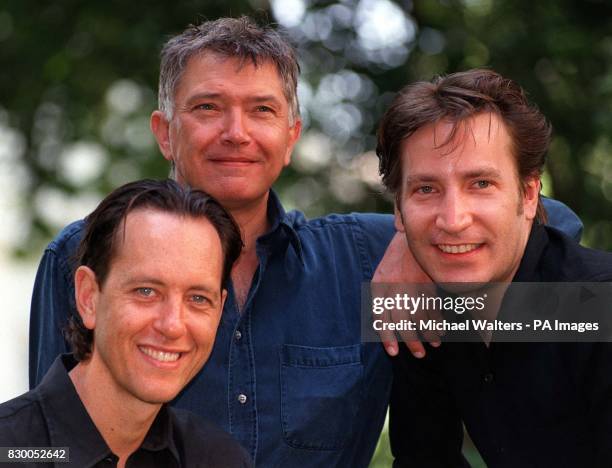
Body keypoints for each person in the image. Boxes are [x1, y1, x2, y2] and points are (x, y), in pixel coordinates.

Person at [28, 17, 582, 467]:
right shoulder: (84, 255)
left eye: (262, 110)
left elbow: (564, 259)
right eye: (207, 108)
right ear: (164, 131)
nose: (236, 132)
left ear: (290, 138)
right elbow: (42, 442)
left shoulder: (368, 266)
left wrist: (417, 247)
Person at [376, 69, 612, 467]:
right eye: (426, 189)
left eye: (481, 184)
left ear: (529, 194)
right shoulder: (427, 309)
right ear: (399, 210)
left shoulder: (597, 307)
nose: (453, 219)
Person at [2, 179, 249, 467]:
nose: (172, 325)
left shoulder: (216, 460)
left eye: (197, 298)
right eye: (146, 291)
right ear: (88, 297)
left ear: (219, 311)